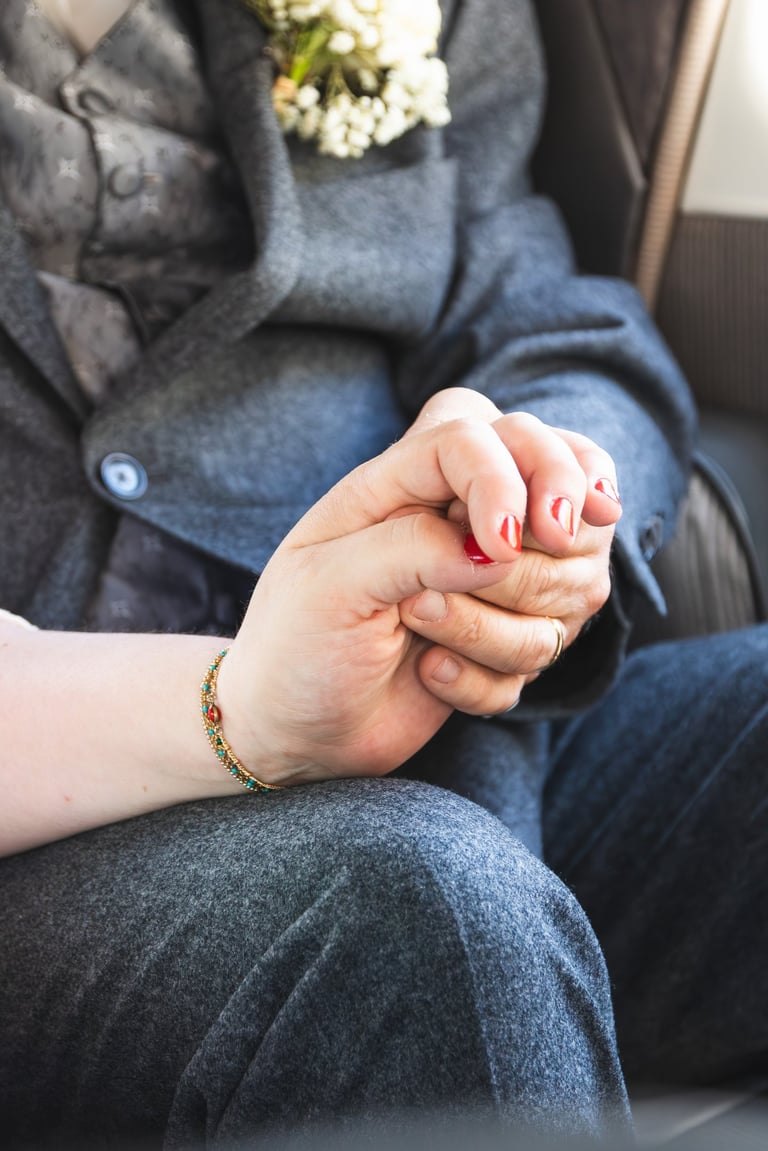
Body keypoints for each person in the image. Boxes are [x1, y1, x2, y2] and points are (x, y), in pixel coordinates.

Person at [1, 0, 767, 1148]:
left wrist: (543, 490)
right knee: (425, 915)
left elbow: (552, 322)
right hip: (56, 833)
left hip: (452, 722)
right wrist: (243, 706)